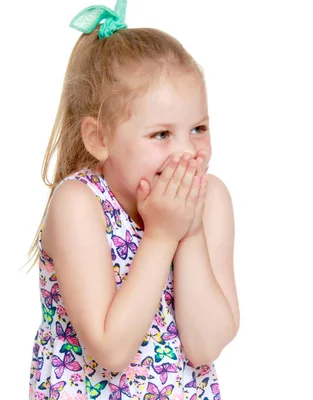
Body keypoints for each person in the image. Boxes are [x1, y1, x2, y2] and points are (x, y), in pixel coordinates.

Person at [27, 1, 240, 398]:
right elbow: (110, 349)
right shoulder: (78, 204)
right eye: (161, 134)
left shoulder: (211, 201)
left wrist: (189, 233)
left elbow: (205, 345)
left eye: (198, 128)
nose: (187, 152)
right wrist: (161, 237)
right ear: (99, 139)